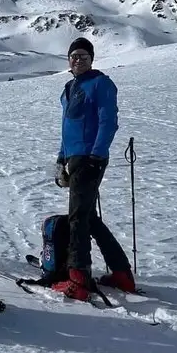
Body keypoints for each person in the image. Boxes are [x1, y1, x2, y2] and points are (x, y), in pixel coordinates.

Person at [52, 37, 136, 300]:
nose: (78, 60)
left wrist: (95, 156)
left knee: (78, 218)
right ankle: (122, 274)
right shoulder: (69, 88)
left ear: (91, 59)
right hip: (74, 158)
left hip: (89, 158)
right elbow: (67, 129)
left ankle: (78, 277)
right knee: (87, 216)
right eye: (73, 56)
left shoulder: (101, 83)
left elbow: (108, 121)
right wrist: (60, 159)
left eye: (83, 56)